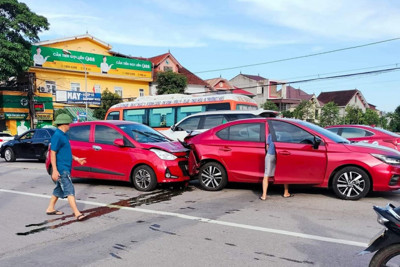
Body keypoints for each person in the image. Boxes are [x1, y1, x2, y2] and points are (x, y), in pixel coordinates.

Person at [45, 114, 87, 221]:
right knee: (69, 189)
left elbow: (65, 152)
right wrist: (54, 170)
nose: (70, 126)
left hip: (66, 167)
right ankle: (77, 213)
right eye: (69, 124)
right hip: (61, 168)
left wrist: (77, 158)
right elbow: (53, 153)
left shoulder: (64, 135)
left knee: (59, 189)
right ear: (64, 124)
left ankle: (50, 208)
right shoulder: (57, 136)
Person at [260, 133, 292, 200]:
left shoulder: (270, 134)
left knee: (266, 175)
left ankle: (264, 195)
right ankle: (286, 192)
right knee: (285, 173)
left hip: (270, 154)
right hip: (281, 154)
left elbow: (267, 147)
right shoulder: (286, 134)